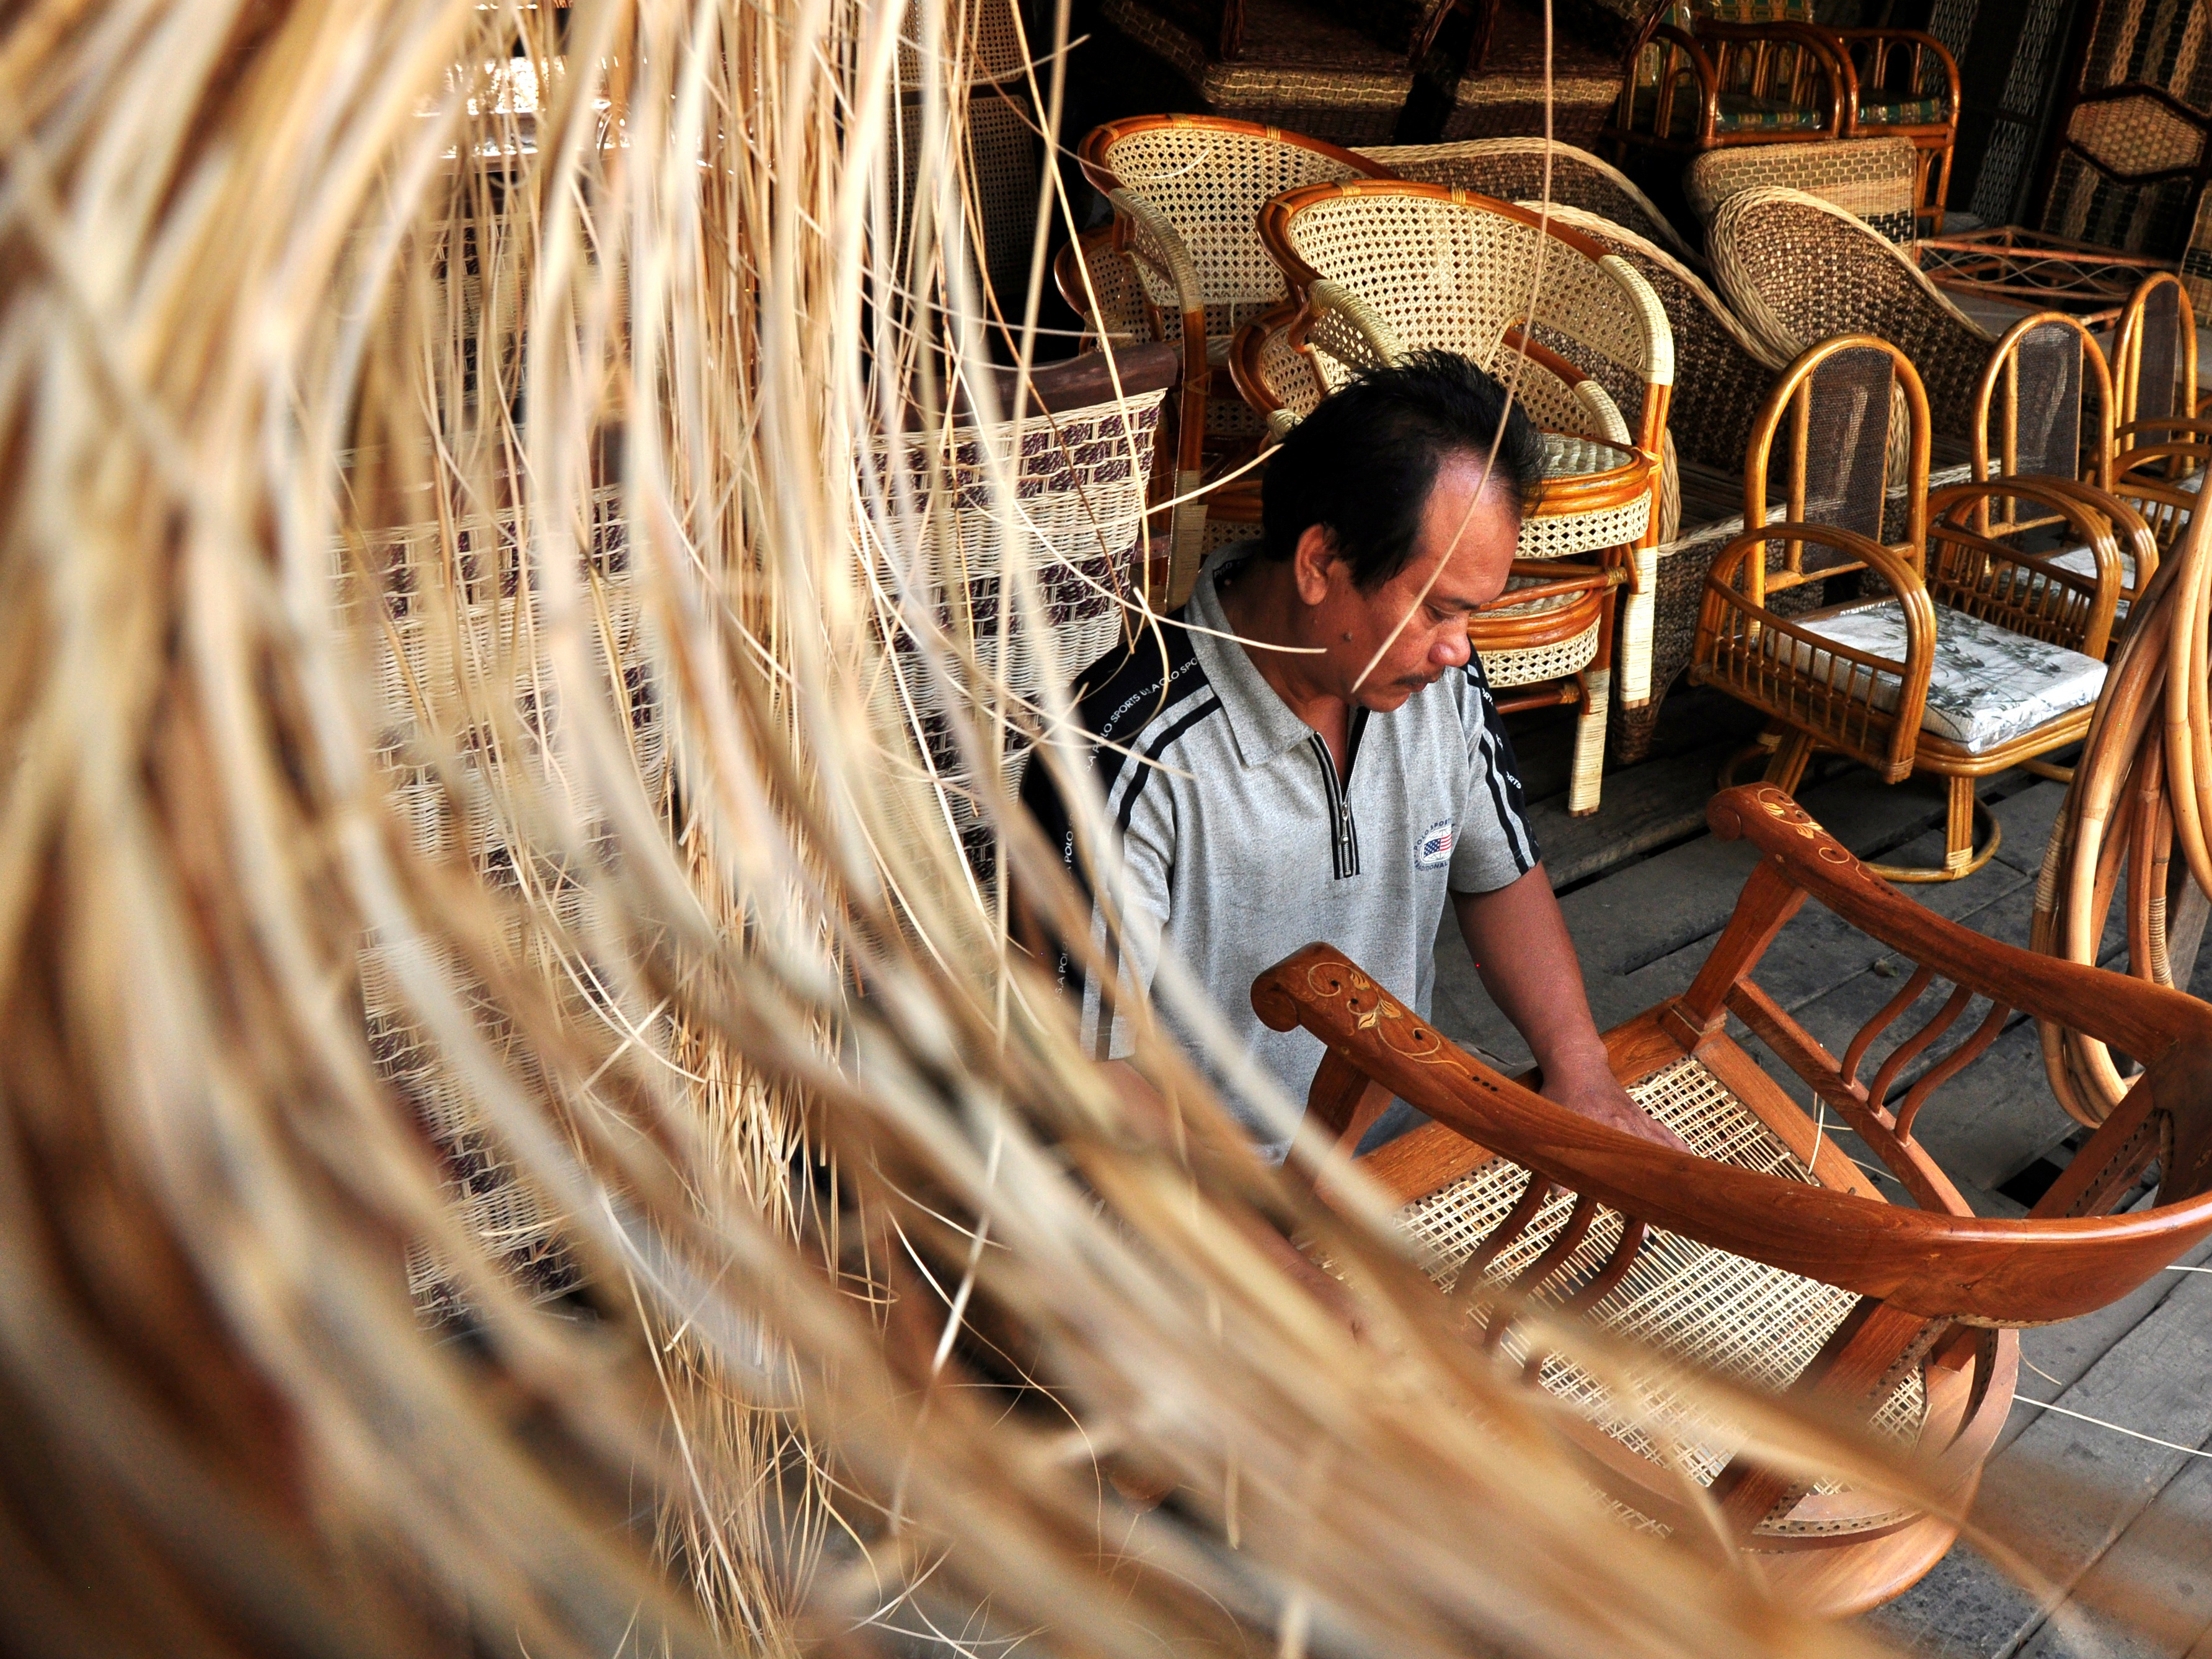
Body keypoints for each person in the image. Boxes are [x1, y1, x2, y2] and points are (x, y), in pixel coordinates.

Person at [1019, 350, 1675, 1161]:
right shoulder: (1125, 751)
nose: (1458, 649)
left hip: (1384, 1142)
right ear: (1319, 565)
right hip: (1197, 1203)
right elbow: (1088, 1072)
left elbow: (1499, 872)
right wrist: (1275, 1252)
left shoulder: (1441, 683)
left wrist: (1582, 1073)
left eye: (1472, 614)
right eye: (1439, 609)